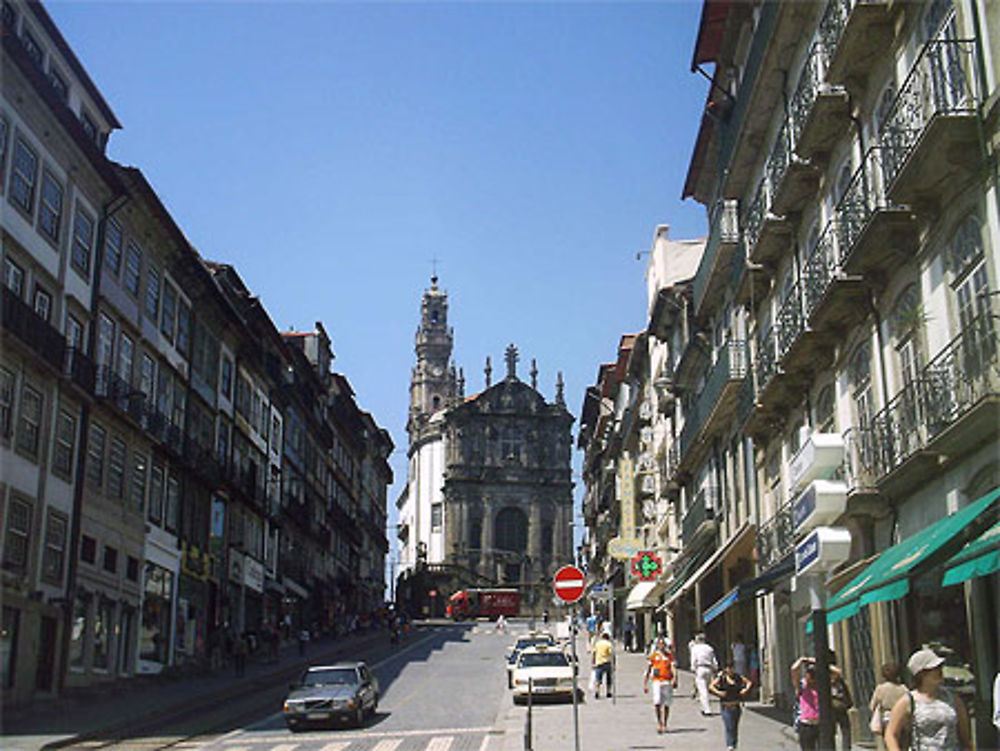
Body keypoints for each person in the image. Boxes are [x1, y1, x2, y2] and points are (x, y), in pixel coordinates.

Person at [885, 648, 972, 751]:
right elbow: (890, 734)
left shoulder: (953, 698)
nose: (940, 670)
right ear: (921, 673)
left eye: (940, 667)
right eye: (934, 668)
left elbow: (965, 737)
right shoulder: (908, 701)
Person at [710, 660, 752, 751]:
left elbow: (749, 682)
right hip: (726, 706)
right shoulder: (722, 678)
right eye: (728, 668)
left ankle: (734, 744)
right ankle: (730, 746)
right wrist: (719, 693)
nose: (730, 670)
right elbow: (711, 686)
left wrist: (745, 690)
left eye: (732, 668)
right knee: (729, 726)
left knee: (734, 727)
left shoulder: (737, 678)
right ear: (725, 669)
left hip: (736, 706)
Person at [644, 636, 678, 734]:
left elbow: (673, 668)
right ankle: (659, 723)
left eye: (663, 644)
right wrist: (645, 683)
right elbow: (648, 669)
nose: (661, 646)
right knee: (657, 702)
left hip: (667, 681)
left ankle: (665, 724)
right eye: (660, 644)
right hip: (657, 681)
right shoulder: (654, 656)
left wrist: (675, 678)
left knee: (667, 704)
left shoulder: (669, 656)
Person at [869, 662, 907, 751]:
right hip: (902, 719)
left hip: (887, 719)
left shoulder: (880, 689)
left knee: (889, 743)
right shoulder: (904, 689)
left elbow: (872, 706)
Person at [791, 656, 820, 751]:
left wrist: (818, 662)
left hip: (820, 723)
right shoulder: (802, 686)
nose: (811, 678)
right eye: (809, 674)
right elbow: (794, 670)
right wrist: (802, 660)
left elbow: (836, 672)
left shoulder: (821, 685)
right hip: (806, 724)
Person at [829, 651, 854, 751]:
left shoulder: (832, 672)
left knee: (845, 729)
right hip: (833, 704)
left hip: (839, 704)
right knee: (833, 730)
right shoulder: (827, 672)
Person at [690, 632, 718, 715]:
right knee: (706, 689)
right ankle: (704, 707)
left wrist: (693, 668)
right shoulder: (709, 648)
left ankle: (707, 709)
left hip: (700, 668)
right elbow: (714, 660)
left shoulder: (695, 648)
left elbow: (693, 660)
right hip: (709, 669)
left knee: (702, 690)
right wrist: (715, 668)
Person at [591, 630, 614, 699]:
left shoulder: (597, 644)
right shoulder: (609, 644)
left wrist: (593, 662)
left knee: (598, 679)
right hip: (607, 662)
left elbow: (594, 653)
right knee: (609, 679)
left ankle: (597, 691)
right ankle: (608, 692)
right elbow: (611, 654)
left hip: (599, 663)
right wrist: (614, 664)